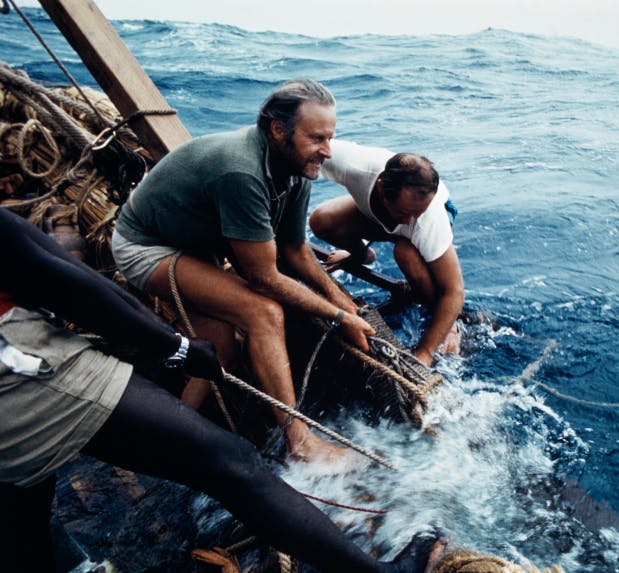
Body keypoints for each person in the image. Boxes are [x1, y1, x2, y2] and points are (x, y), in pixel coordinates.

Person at [0, 207, 445, 573]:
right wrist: (173, 348)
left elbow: (45, 256)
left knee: (23, 499)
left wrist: (169, 342)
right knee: (228, 461)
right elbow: (63, 284)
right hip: (15, 366)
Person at [111, 79, 375, 463]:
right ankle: (299, 442)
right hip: (146, 245)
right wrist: (335, 316)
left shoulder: (296, 167)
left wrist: (345, 305)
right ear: (278, 130)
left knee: (218, 344)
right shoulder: (241, 171)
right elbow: (263, 277)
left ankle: (173, 433)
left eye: (330, 138)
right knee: (263, 312)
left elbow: (296, 251)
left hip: (197, 245)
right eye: (317, 137)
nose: (327, 151)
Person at [309, 140, 465, 367]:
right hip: (375, 216)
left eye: (416, 214)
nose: (411, 221)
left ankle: (449, 323)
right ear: (381, 187)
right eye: (405, 212)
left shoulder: (428, 219)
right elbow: (303, 149)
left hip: (427, 226)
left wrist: (425, 352)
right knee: (321, 219)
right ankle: (361, 254)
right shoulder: (355, 165)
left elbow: (455, 290)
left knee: (406, 252)